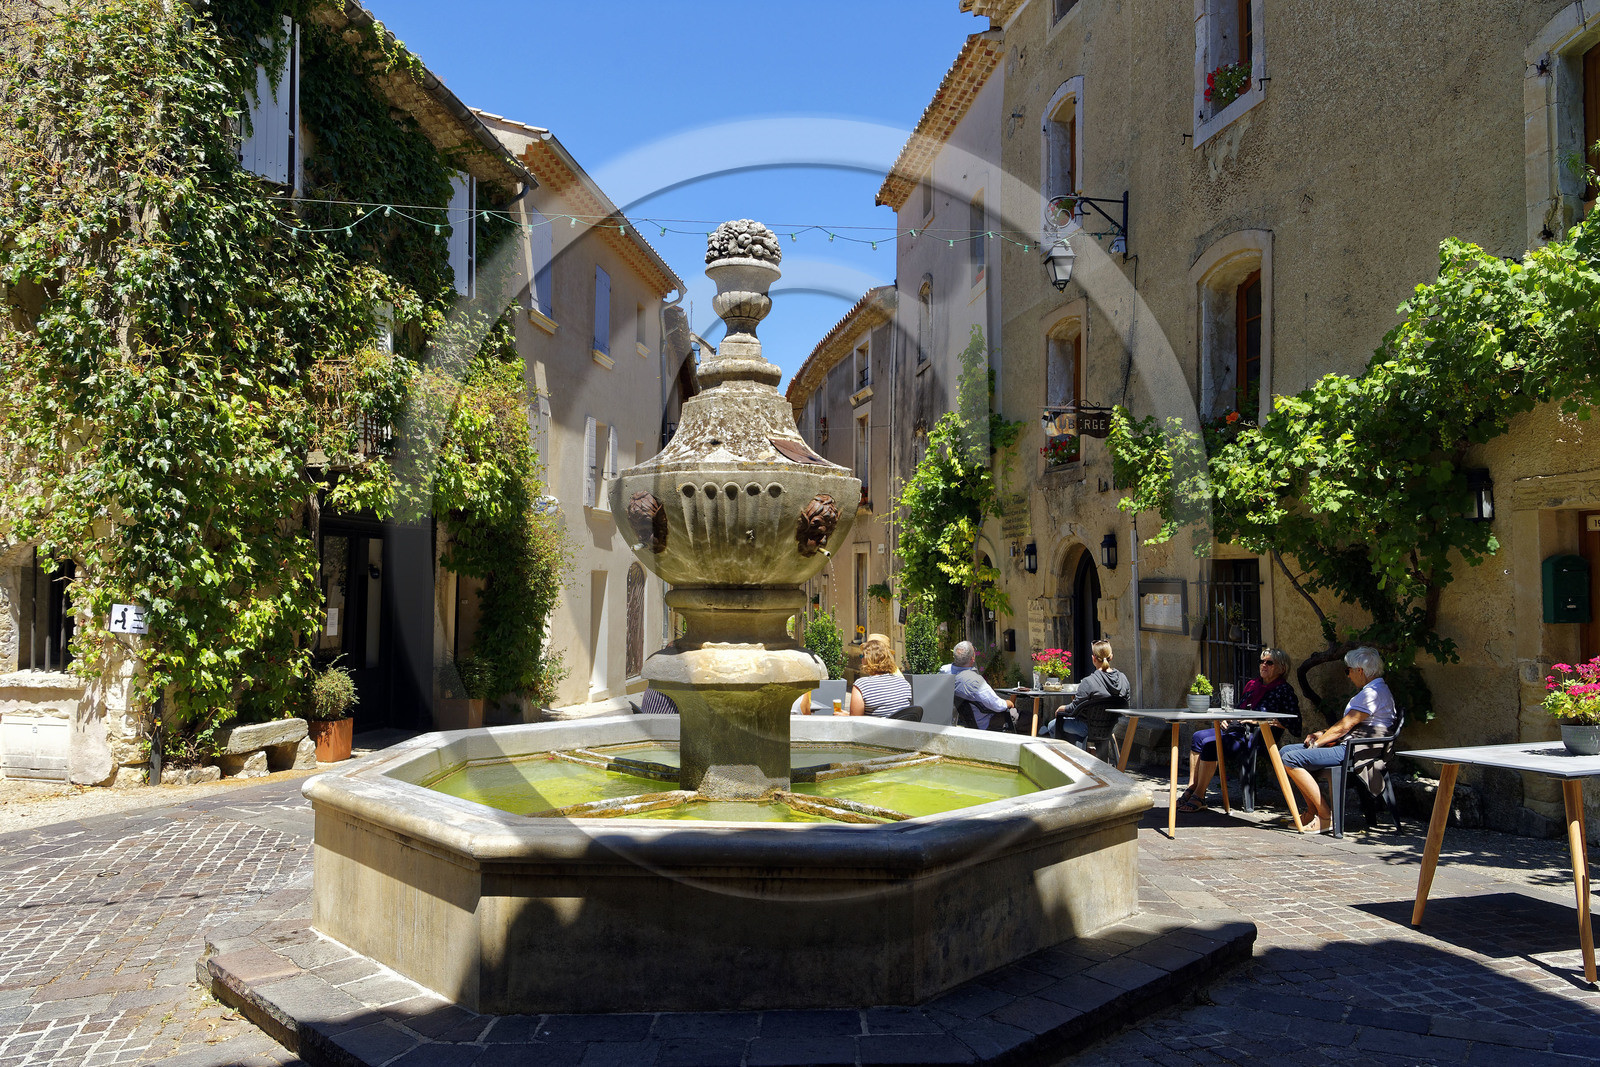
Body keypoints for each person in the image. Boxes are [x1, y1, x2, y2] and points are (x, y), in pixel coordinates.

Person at [1279, 646, 1397, 833]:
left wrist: (1318, 744)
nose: (1348, 675)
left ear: (1360, 670)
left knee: (1290, 758)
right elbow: (1352, 725)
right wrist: (1323, 734)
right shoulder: (1378, 689)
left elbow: (1345, 726)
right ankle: (1312, 811)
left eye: (1347, 670)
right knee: (1284, 751)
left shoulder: (1372, 693)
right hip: (1355, 745)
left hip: (1354, 750)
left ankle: (1325, 816)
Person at [1178, 647, 1299, 813]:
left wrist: (1260, 720)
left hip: (1256, 737)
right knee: (1198, 737)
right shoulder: (1252, 685)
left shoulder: (1284, 690)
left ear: (1282, 668)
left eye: (1269, 663)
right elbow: (1240, 709)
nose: (1264, 665)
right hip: (1236, 730)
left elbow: (1294, 722)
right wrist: (1226, 719)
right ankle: (1192, 787)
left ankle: (1199, 795)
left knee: (1210, 744)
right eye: (1262, 662)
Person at [1042, 639, 1129, 745]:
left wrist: (1062, 708)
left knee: (1052, 725)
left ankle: (1072, 756)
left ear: (1093, 658)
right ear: (1111, 657)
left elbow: (1073, 708)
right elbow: (1126, 704)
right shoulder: (1123, 678)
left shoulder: (1089, 682)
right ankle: (1086, 753)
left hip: (1088, 728)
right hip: (1111, 728)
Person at [949, 640, 1017, 731]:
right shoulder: (975, 681)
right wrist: (1008, 703)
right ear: (972, 658)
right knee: (1026, 718)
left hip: (969, 722)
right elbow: (997, 705)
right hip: (986, 722)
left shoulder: (947, 673)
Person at [846, 636, 913, 717]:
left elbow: (855, 720)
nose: (861, 659)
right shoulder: (904, 683)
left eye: (862, 656)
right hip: (901, 729)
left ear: (867, 659)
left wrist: (845, 716)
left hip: (876, 729)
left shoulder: (862, 685)